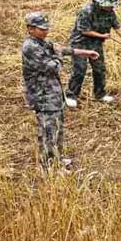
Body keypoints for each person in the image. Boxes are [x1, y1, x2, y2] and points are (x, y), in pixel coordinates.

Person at [21, 11, 99, 170]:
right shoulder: (31, 47)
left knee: (57, 128)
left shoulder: (41, 42)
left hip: (53, 95)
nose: (46, 31)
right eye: (42, 29)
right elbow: (54, 67)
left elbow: (61, 49)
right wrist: (58, 56)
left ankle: (57, 157)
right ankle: (48, 166)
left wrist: (84, 53)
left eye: (46, 28)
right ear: (30, 29)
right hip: (43, 96)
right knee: (48, 130)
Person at [65, 0, 121, 107]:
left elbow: (117, 27)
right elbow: (84, 30)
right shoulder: (86, 11)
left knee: (99, 69)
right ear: (101, 3)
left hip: (96, 44)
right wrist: (102, 35)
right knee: (80, 70)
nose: (111, 8)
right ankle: (71, 95)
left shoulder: (110, 12)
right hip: (80, 43)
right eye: (109, 5)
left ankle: (100, 94)